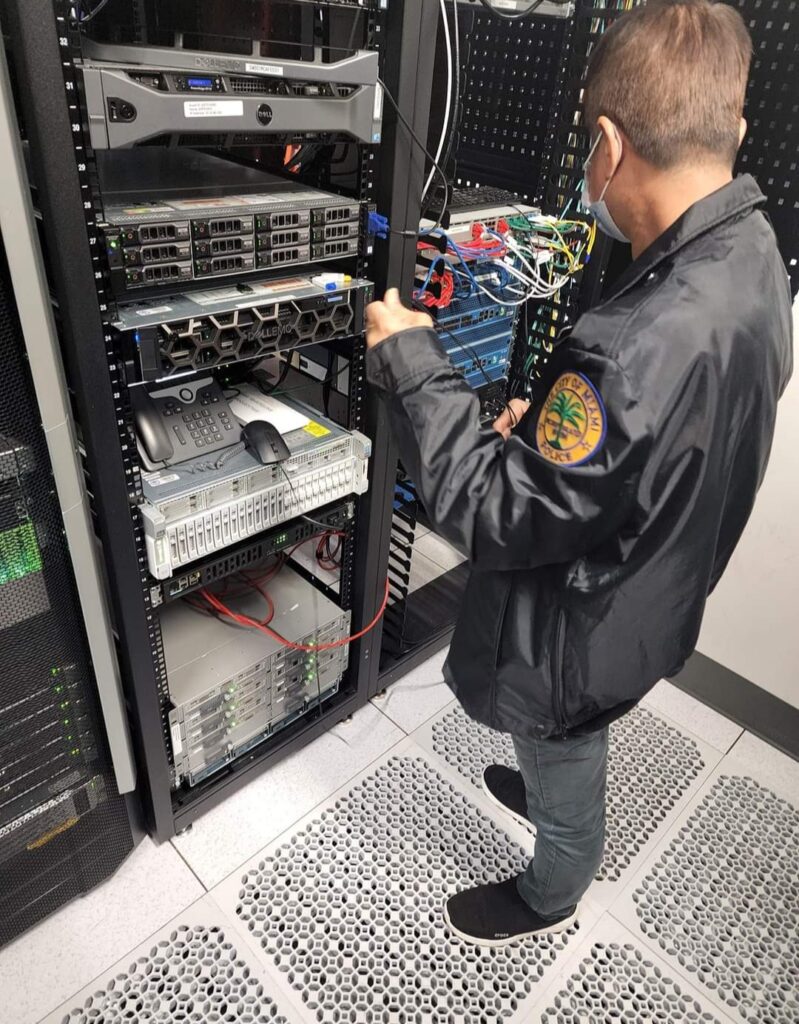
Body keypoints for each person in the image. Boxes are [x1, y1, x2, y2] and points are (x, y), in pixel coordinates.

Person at [364, 0, 793, 947]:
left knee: (564, 745)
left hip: (585, 626)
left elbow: (487, 509)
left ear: (605, 142)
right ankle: (545, 776)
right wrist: (554, 439)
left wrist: (412, 362)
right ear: (733, 126)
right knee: (564, 738)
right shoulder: (754, 258)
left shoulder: (643, 340)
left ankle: (551, 887)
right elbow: (654, 441)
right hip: (653, 588)